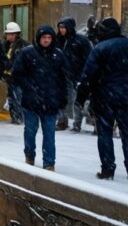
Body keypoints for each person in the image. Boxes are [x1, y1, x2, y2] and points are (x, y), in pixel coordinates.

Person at [76, 17, 128, 179]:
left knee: (105, 133)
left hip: (104, 98)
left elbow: (88, 76)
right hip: (126, 97)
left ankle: (107, 169)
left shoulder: (99, 49)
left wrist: (81, 97)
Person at [11, 26, 68, 171]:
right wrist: (29, 87)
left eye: (49, 38)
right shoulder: (28, 53)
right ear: (39, 38)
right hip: (31, 101)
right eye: (44, 38)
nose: (47, 40)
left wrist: (62, 97)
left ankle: (49, 162)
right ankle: (29, 155)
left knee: (49, 133)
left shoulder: (58, 55)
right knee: (30, 131)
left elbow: (63, 79)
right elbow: (17, 74)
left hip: (50, 101)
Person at [55, 17, 92, 132]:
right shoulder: (58, 40)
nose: (61, 30)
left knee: (77, 99)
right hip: (62, 74)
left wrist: (84, 74)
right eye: (60, 27)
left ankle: (77, 123)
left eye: (63, 27)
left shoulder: (81, 41)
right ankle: (62, 121)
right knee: (62, 98)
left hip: (77, 74)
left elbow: (88, 58)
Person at [3, 22, 30, 125]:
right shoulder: (7, 45)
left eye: (9, 34)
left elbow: (18, 62)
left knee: (17, 98)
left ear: (14, 34)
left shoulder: (23, 46)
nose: (7, 36)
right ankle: (15, 116)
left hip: (19, 78)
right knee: (12, 98)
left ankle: (18, 117)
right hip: (10, 78)